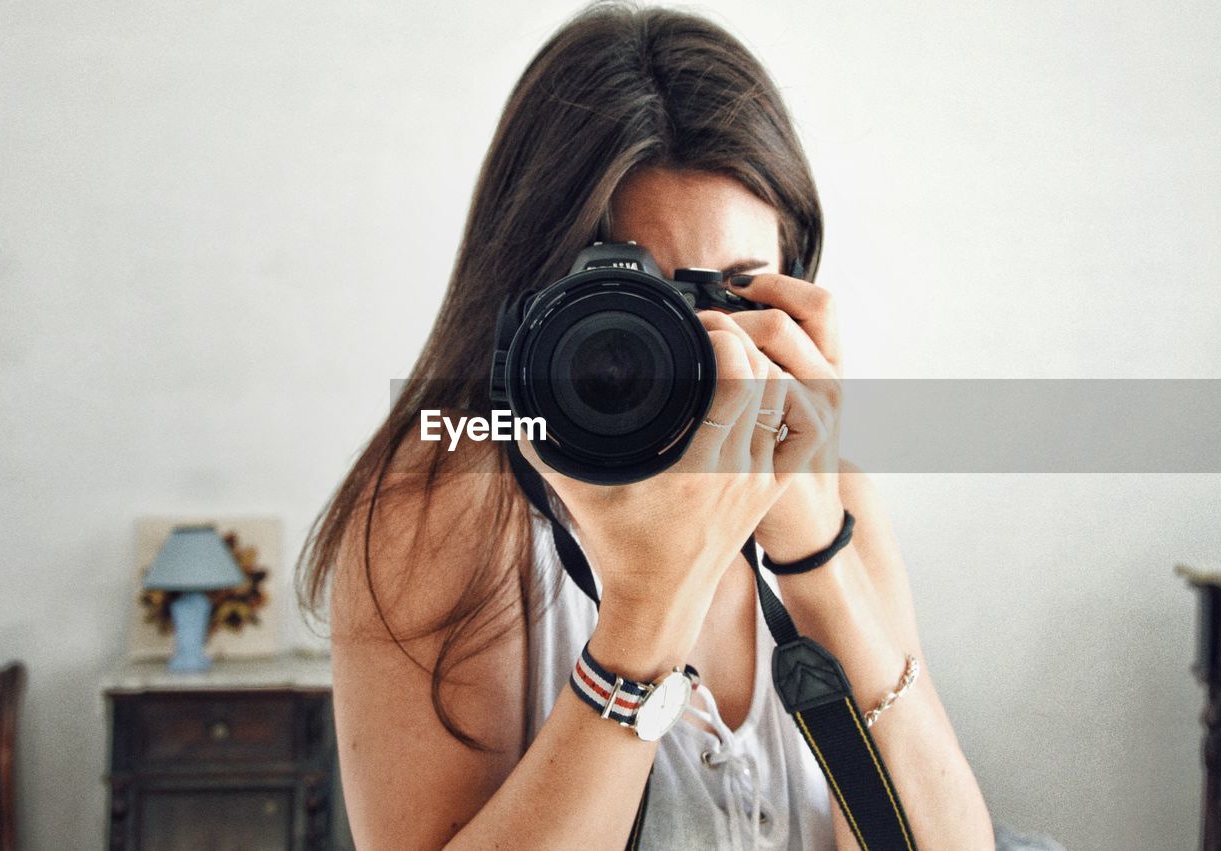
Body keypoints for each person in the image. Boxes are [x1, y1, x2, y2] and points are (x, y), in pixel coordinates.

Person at [299, 3, 996, 848]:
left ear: (796, 279)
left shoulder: (832, 483)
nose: (696, 350)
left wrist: (811, 545)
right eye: (640, 305)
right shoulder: (448, 501)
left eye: (731, 293)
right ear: (536, 304)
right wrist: (645, 609)